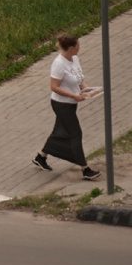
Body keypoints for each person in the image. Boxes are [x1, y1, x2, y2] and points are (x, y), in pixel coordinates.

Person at [33, 34, 102, 180]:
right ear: (71, 48)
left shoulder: (75, 59)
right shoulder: (58, 64)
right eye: (78, 46)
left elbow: (79, 79)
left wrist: (87, 90)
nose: (79, 48)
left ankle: (40, 157)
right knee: (75, 134)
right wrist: (74, 96)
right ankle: (85, 169)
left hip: (71, 104)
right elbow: (54, 87)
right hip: (61, 104)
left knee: (59, 131)